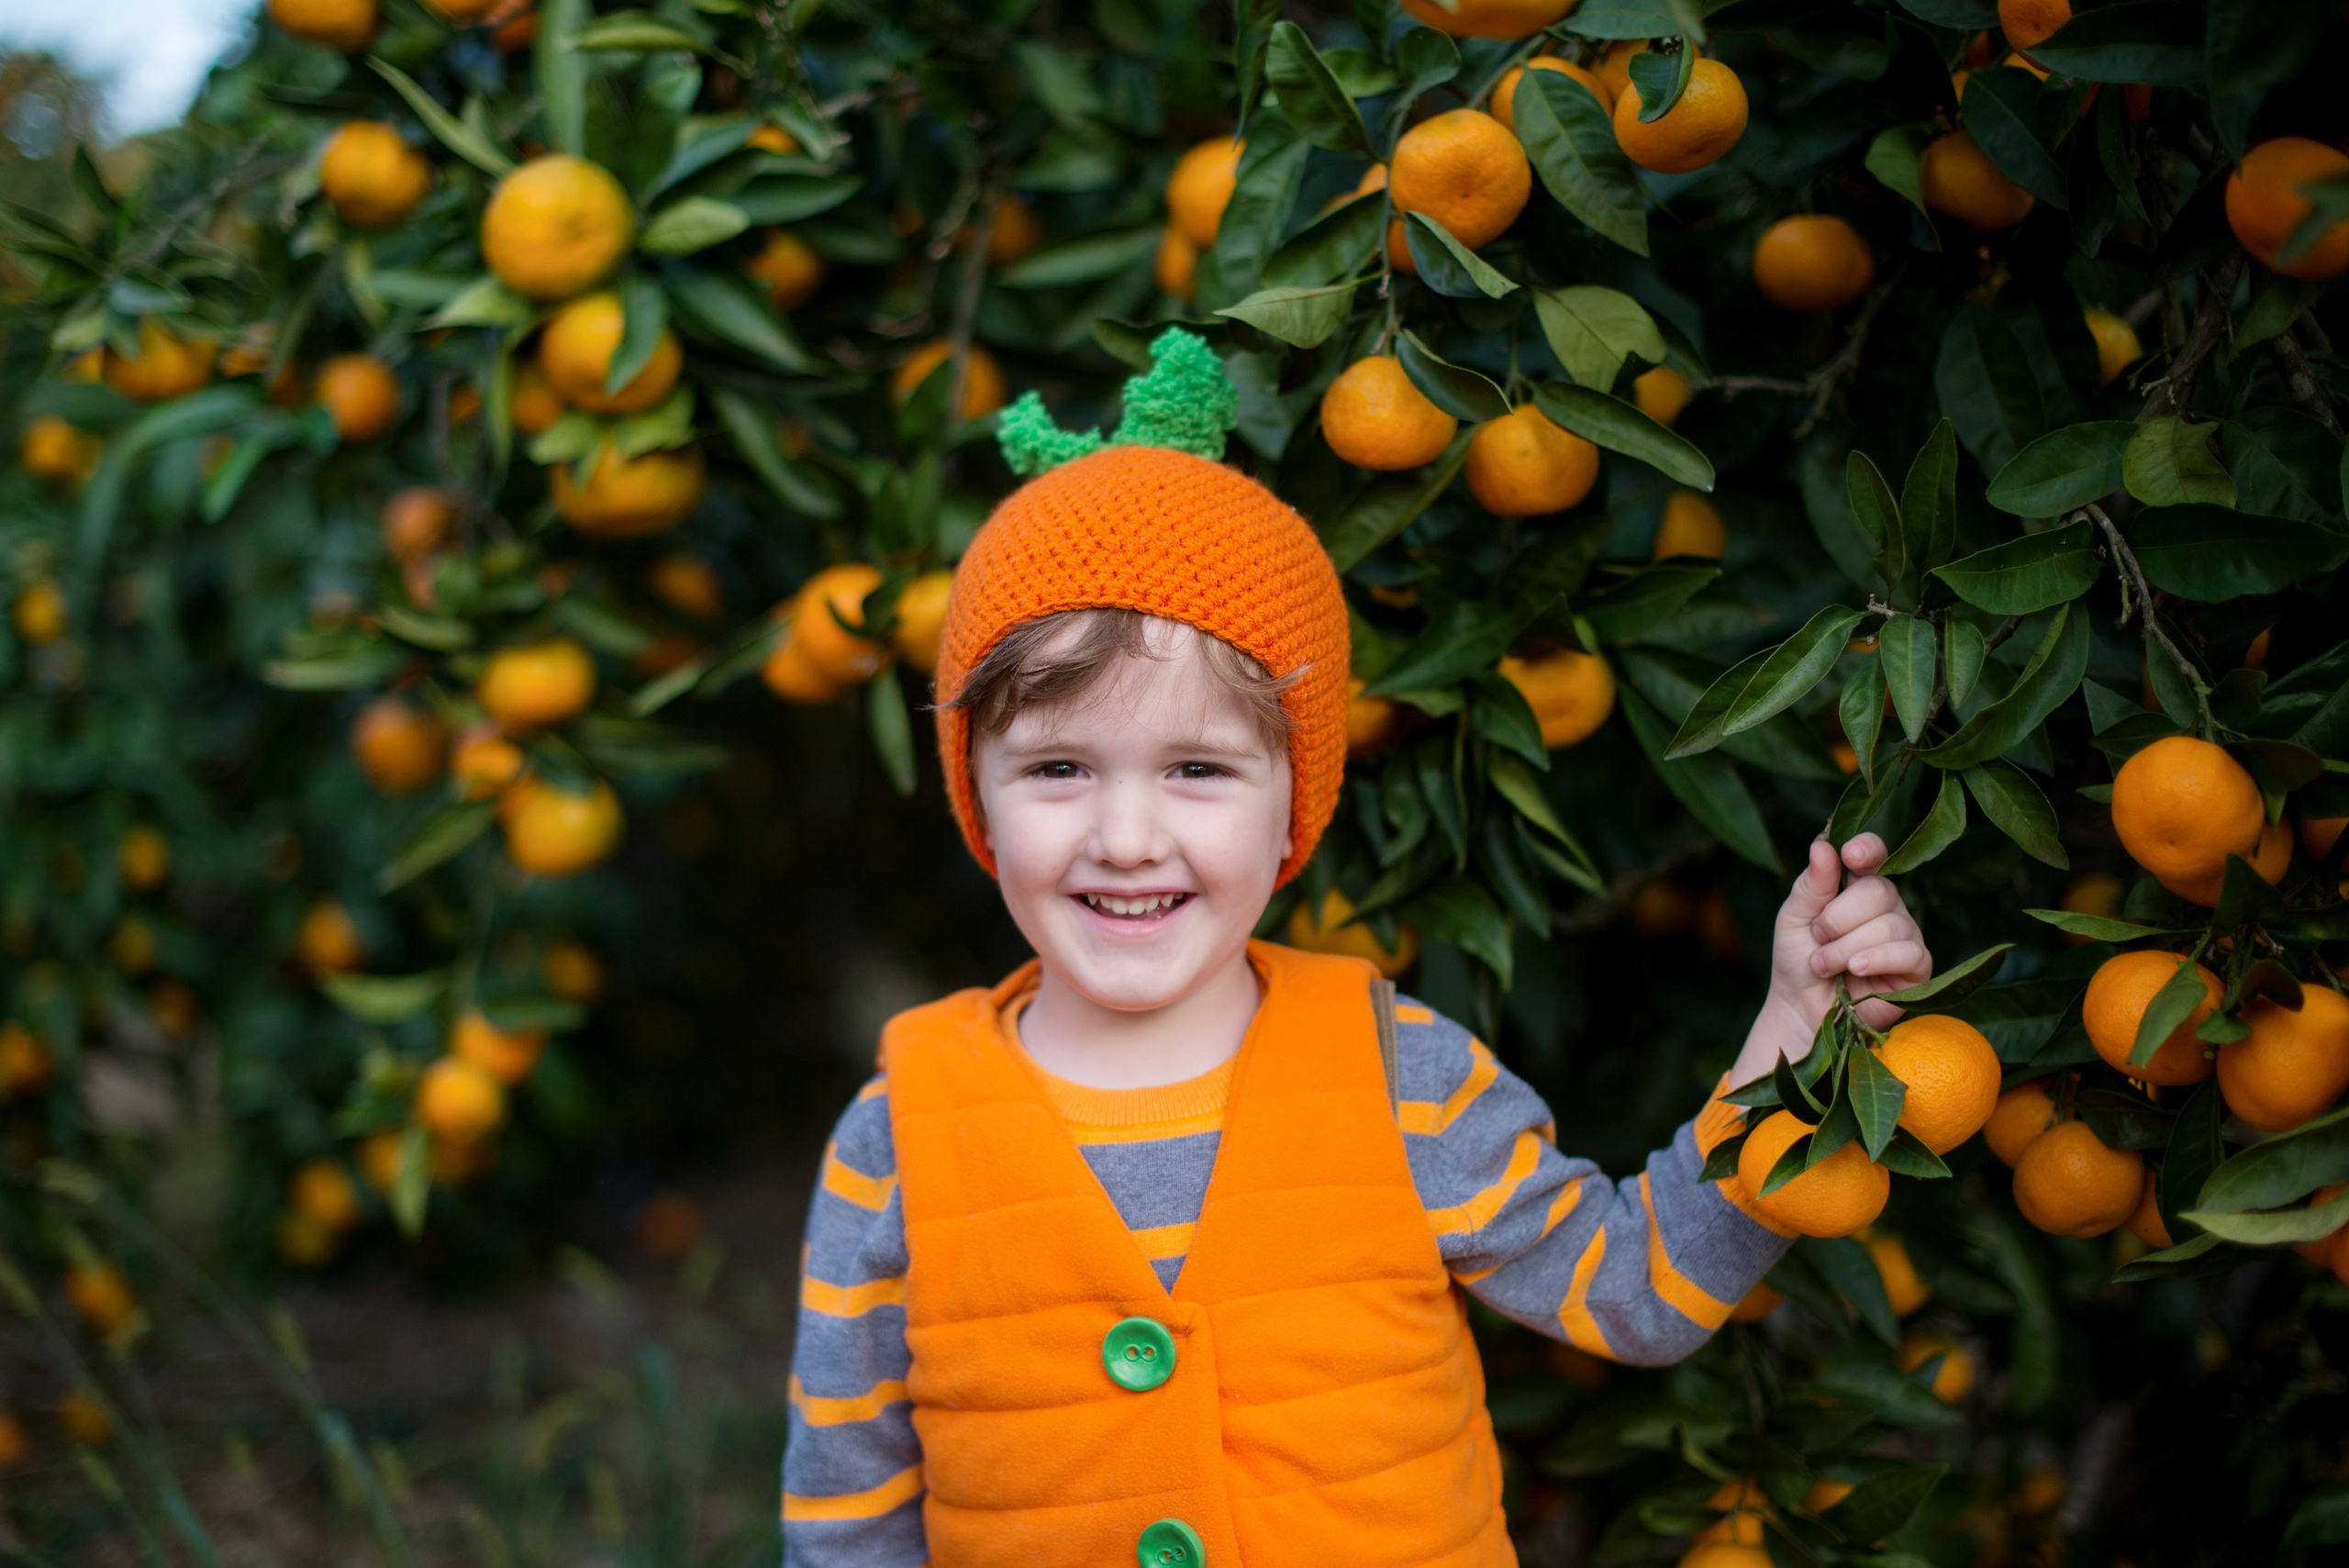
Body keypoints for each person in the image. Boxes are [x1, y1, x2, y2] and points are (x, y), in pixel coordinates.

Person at [781, 332, 1932, 1568]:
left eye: (1198, 769)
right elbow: (851, 1517)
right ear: (976, 792)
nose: (1126, 836)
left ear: (1296, 801)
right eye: (1058, 767)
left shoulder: (1401, 1078)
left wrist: (1794, 1037)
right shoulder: (898, 1135)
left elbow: (1634, 1288)